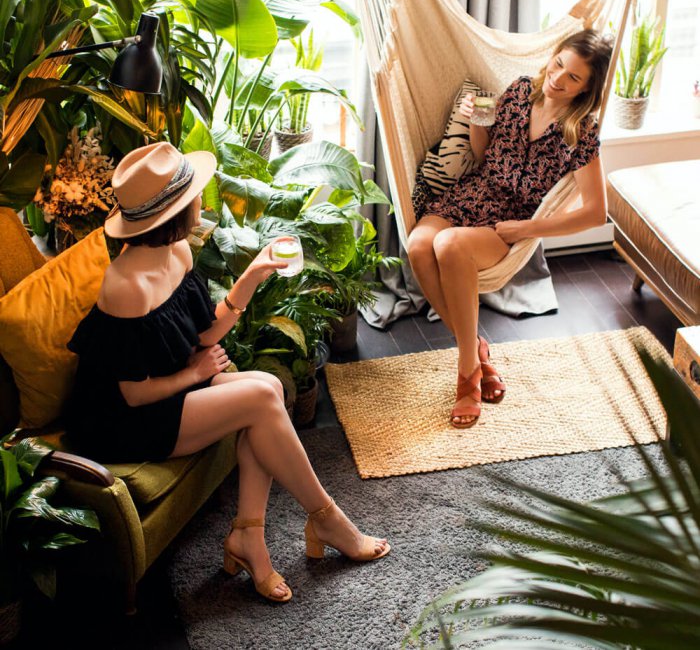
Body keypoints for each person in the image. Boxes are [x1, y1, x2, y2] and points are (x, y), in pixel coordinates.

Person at [65, 142, 389, 604]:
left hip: (172, 388)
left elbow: (205, 332)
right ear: (173, 212)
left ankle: (248, 536)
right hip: (124, 421)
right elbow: (133, 395)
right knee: (259, 399)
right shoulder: (126, 287)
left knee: (270, 388)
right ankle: (325, 517)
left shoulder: (177, 252)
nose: (203, 199)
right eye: (194, 194)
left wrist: (253, 275)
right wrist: (196, 374)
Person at [407, 30, 613, 429]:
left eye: (573, 77)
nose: (558, 79)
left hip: (509, 221)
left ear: (588, 87)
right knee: (418, 245)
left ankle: (467, 372)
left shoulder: (580, 132)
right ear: (551, 57)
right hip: (471, 195)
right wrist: (475, 120)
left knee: (449, 246)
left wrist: (528, 229)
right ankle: (478, 350)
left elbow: (595, 213)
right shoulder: (519, 92)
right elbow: (486, 156)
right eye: (558, 65)